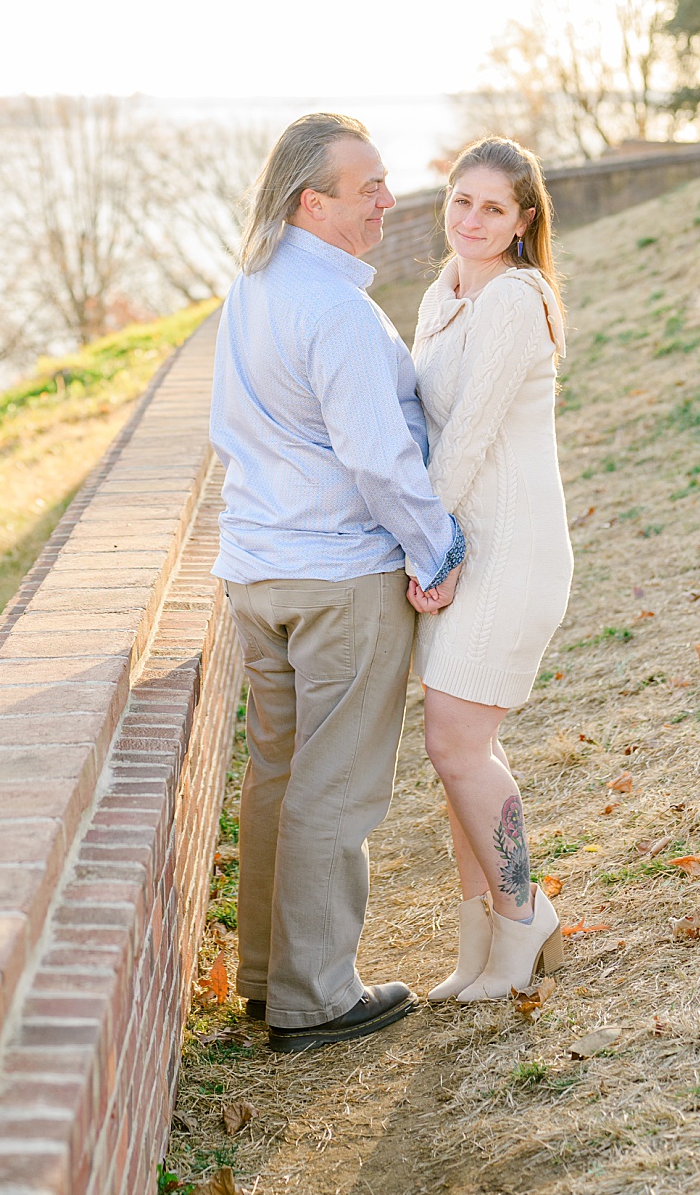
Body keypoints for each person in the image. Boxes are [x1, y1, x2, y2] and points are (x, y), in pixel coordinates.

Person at [210, 111, 465, 1055]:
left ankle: (266, 979)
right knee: (335, 787)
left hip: (260, 574)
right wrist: (436, 549)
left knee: (279, 773)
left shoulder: (252, 289)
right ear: (312, 202)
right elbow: (380, 459)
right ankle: (314, 998)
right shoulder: (339, 314)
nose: (388, 202)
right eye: (368, 189)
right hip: (338, 579)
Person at [411, 137, 572, 1001]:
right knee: (457, 752)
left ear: (523, 221)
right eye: (460, 201)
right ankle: (476, 940)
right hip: (461, 547)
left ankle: (522, 918)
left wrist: (425, 546)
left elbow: (467, 434)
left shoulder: (513, 297)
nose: (471, 221)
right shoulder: (444, 294)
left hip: (510, 552)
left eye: (493, 208)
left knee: (457, 742)